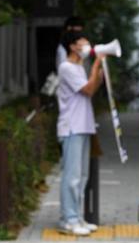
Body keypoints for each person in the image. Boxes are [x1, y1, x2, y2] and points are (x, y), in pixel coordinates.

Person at [56, 31, 103, 236]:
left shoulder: (79, 67)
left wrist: (99, 69)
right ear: (73, 46)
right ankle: (68, 219)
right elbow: (88, 90)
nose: (87, 46)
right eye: (84, 42)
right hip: (72, 127)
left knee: (82, 176)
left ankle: (77, 216)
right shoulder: (66, 67)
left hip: (83, 125)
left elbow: (93, 87)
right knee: (72, 176)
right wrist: (96, 66)